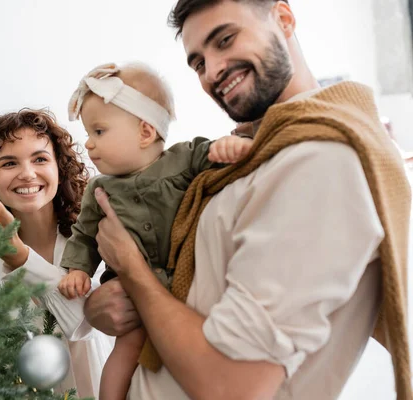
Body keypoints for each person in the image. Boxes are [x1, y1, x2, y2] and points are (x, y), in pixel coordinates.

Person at [83, 1, 412, 399]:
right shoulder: (256, 153)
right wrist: (105, 305)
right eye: (199, 63)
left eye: (225, 39)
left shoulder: (320, 159)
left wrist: (132, 270)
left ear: (284, 18)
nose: (214, 70)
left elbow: (233, 387)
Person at [56, 62, 252, 400]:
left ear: (145, 132)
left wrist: (228, 148)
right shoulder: (100, 190)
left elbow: (212, 157)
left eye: (99, 132)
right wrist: (77, 269)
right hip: (129, 294)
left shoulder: (183, 159)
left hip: (188, 284)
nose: (88, 144)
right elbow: (85, 236)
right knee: (126, 349)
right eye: (88, 133)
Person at [0, 108, 115, 398]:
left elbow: (84, 323)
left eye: (40, 159)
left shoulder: (99, 239)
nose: (27, 174)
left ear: (60, 168)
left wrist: (19, 257)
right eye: (9, 163)